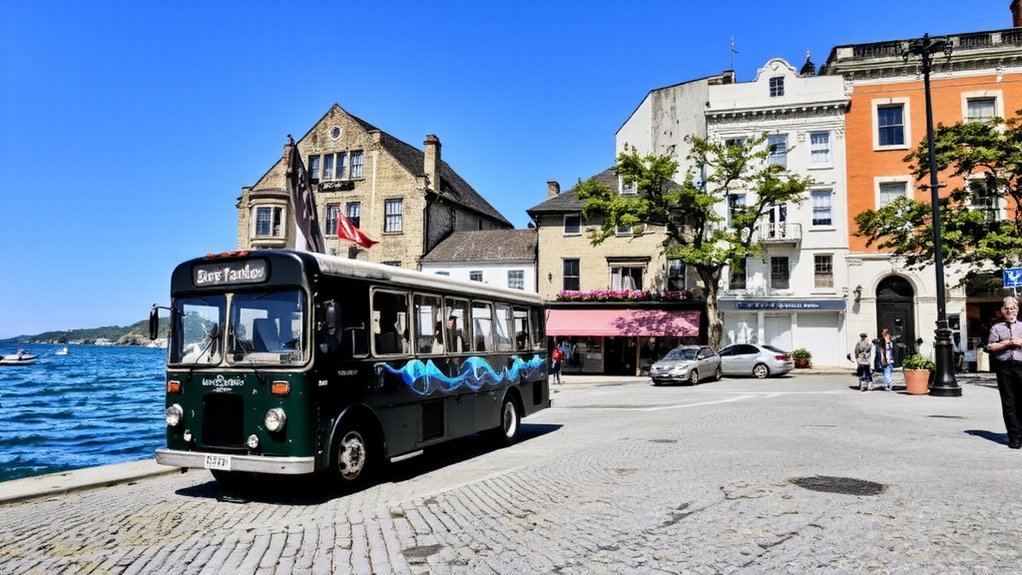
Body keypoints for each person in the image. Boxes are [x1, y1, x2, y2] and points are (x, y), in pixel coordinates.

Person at [987, 295, 1022, 449]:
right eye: (1007, 308)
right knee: (1009, 403)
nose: (1010, 311)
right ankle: (1014, 436)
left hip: (1021, 366)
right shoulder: (996, 328)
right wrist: (1006, 344)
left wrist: (1020, 342)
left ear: (1017, 309)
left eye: (1013, 308)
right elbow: (991, 346)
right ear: (1002, 311)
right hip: (1004, 367)